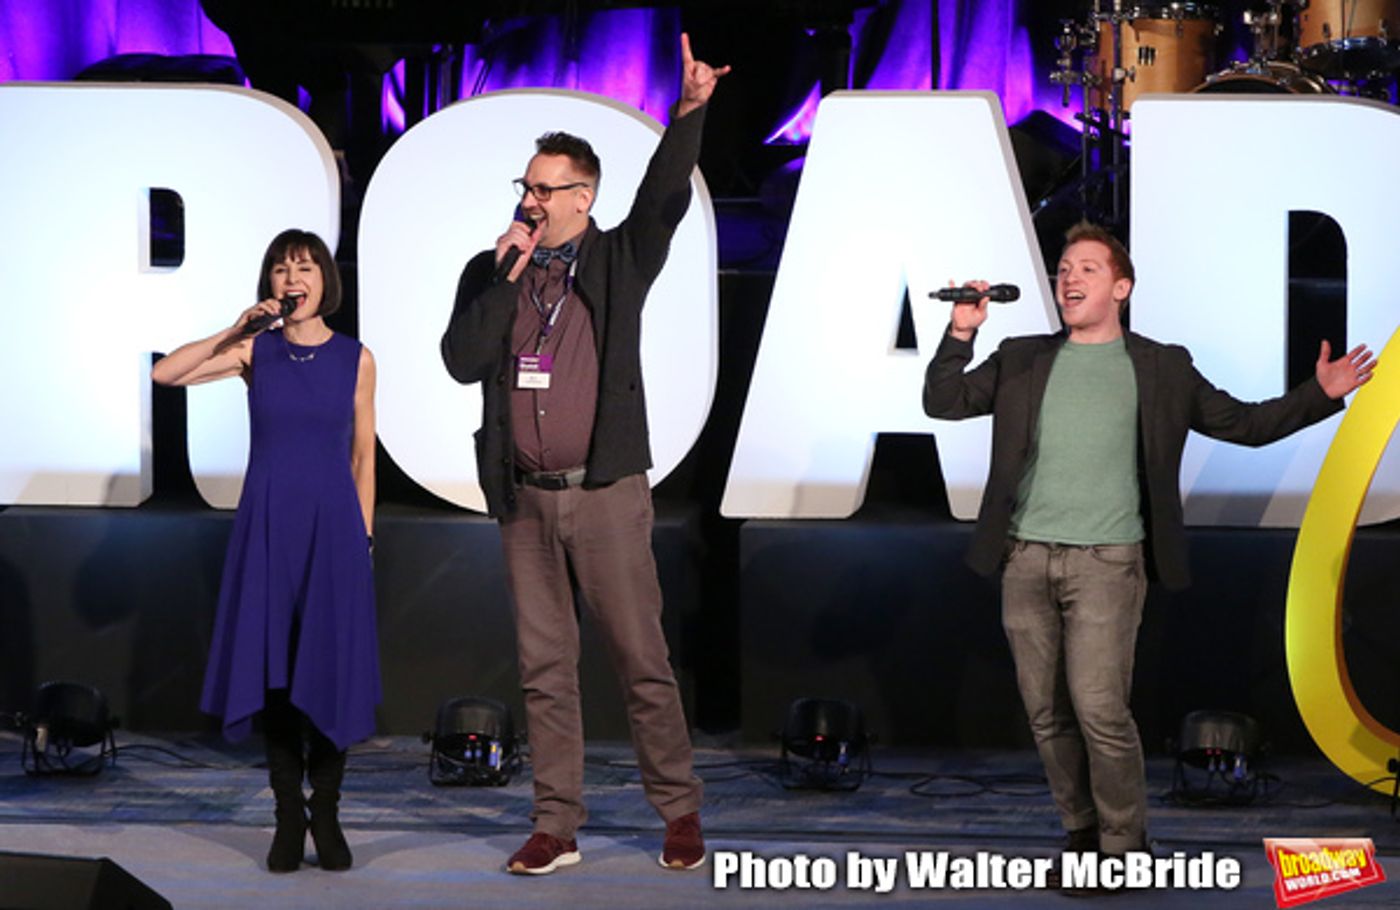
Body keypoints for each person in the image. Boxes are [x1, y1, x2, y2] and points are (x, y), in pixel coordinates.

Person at [923, 222, 1374, 876]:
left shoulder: (1162, 366)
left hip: (1108, 563)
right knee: (1047, 715)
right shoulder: (1022, 356)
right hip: (1024, 558)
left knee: (1101, 710)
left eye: (1087, 269)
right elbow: (944, 401)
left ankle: (1124, 846)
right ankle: (1082, 834)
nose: (1069, 278)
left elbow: (1244, 425)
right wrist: (961, 331)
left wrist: (1318, 396)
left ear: (1122, 288)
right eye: (1063, 268)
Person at [440, 33, 728, 875]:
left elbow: (667, 199)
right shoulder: (492, 270)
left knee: (640, 657)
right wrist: (504, 273)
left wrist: (690, 113)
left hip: (604, 493)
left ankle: (677, 808)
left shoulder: (616, 260)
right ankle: (556, 824)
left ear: (584, 194)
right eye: (524, 186)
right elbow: (462, 361)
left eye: (544, 188)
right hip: (524, 498)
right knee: (544, 669)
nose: (529, 199)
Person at [153, 228, 380, 874]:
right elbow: (167, 373)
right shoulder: (256, 353)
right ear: (271, 284)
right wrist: (233, 330)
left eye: (304, 267)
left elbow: (364, 456)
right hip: (270, 525)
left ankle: (327, 811)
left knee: (329, 669)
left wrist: (364, 539)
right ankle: (287, 815)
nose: (291, 278)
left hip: (335, 528)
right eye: (281, 269)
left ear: (324, 280)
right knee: (277, 672)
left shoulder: (357, 359)